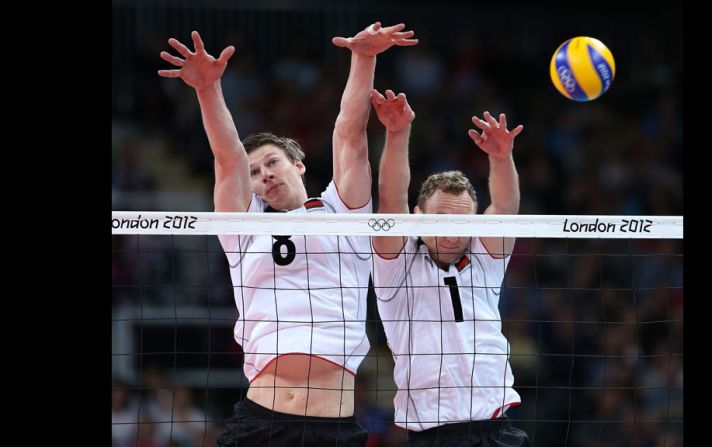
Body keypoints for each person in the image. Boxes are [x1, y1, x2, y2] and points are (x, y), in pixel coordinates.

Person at [158, 23, 417, 446]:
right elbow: (227, 160)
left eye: (272, 162)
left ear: (297, 164)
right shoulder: (243, 230)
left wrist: (363, 57)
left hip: (332, 425)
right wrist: (207, 90)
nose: (264, 175)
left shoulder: (343, 212)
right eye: (255, 172)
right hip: (260, 420)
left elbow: (349, 136)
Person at [370, 88, 530, 446]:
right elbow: (391, 198)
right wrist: (397, 134)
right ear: (417, 218)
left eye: (462, 223)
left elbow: (504, 208)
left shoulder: (486, 259)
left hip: (497, 429)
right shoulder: (396, 266)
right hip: (432, 434)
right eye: (440, 219)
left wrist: (502, 158)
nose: (451, 232)